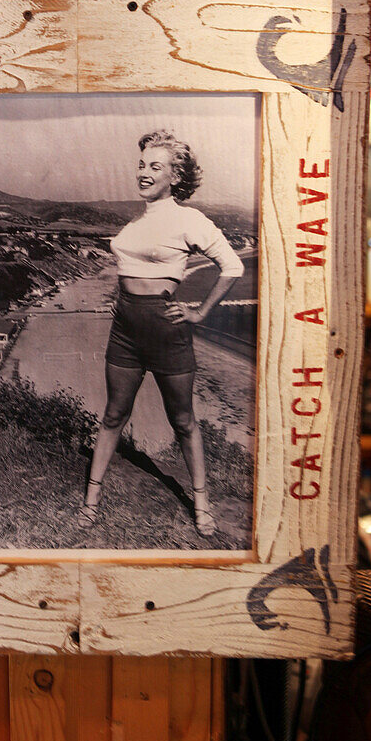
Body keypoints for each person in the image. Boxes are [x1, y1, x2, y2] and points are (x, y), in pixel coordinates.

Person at [78, 129, 244, 537]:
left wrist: (200, 312)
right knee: (114, 414)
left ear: (175, 175)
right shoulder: (137, 220)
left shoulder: (189, 219)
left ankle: (202, 505)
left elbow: (233, 266)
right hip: (124, 327)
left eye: (155, 166)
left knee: (184, 420)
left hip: (167, 331)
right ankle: (90, 502)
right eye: (141, 165)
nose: (144, 173)